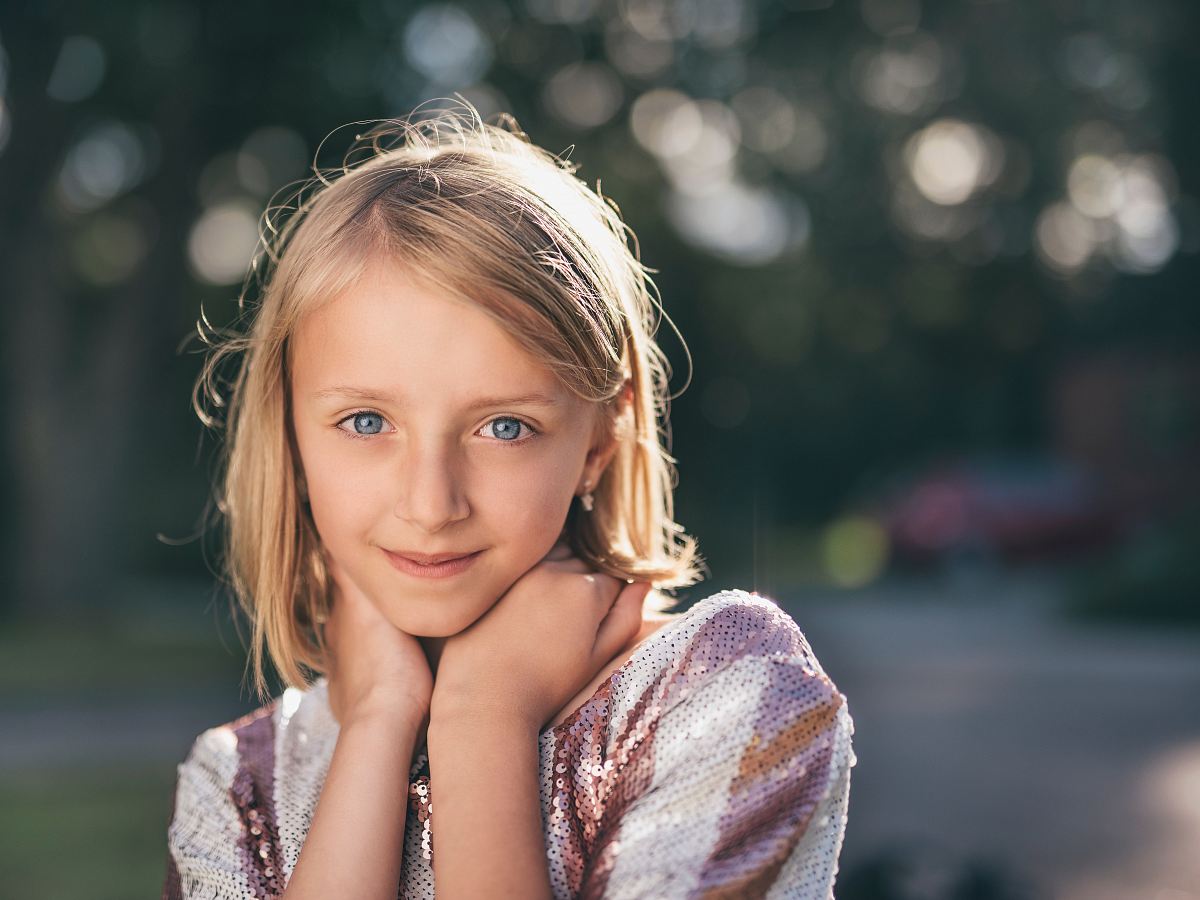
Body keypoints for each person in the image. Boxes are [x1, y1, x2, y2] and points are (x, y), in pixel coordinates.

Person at [161, 98, 856, 900]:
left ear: (598, 442)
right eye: (364, 420)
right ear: (290, 435)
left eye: (503, 426)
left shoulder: (726, 695)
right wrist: (382, 719)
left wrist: (483, 717)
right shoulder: (234, 783)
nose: (430, 503)